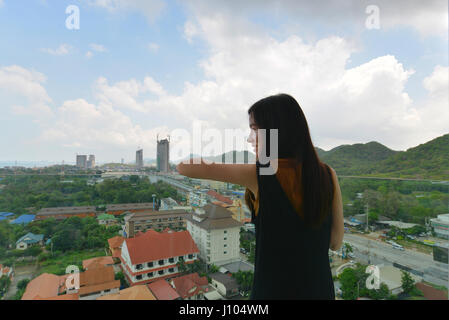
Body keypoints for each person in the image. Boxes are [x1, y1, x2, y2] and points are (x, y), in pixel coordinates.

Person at [177, 93, 344, 300]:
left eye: (255, 130)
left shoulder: (261, 174)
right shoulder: (328, 174)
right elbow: (335, 242)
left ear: (276, 132)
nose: (249, 138)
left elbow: (184, 168)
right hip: (320, 292)